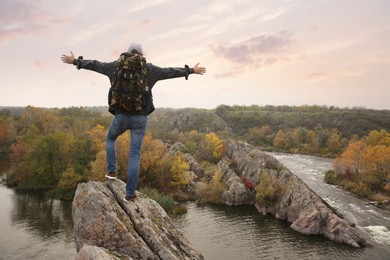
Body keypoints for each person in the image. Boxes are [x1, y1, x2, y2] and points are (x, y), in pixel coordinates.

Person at [61, 42, 206, 202]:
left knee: (110, 139)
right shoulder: (149, 69)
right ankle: (129, 194)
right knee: (134, 156)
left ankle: (111, 172)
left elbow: (95, 65)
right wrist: (191, 70)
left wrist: (75, 61)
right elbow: (170, 72)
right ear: (141, 54)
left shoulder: (115, 66)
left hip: (121, 116)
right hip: (140, 118)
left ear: (128, 52)